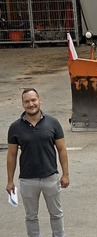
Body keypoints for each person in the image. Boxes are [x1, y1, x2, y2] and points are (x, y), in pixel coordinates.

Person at [6, 88, 70, 237]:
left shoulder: (53, 123)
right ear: (23, 105)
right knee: (31, 217)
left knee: (56, 214)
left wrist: (65, 174)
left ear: (40, 101)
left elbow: (62, 150)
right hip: (27, 180)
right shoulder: (15, 128)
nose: (31, 104)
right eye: (27, 101)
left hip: (51, 178)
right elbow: (11, 155)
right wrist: (10, 181)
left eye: (33, 100)